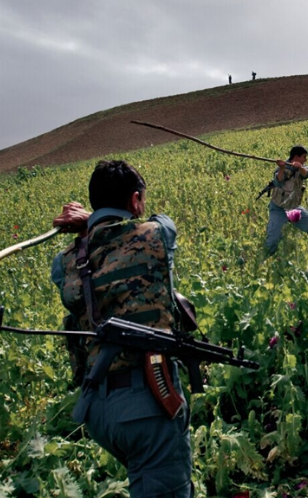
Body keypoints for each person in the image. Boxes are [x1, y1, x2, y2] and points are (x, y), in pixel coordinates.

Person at [51, 160, 193, 498]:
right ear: (134, 201)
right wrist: (93, 220)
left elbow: (70, 277)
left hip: (98, 409)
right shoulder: (155, 236)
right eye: (141, 200)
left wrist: (90, 224)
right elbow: (165, 224)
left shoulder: (65, 262)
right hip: (148, 403)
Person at [265, 145, 308, 266]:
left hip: (293, 208)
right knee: (273, 239)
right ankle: (267, 260)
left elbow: (307, 174)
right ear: (296, 156)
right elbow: (277, 182)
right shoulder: (282, 168)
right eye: (304, 157)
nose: (305, 159)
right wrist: (281, 168)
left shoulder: (302, 167)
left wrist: (300, 167)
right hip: (278, 209)